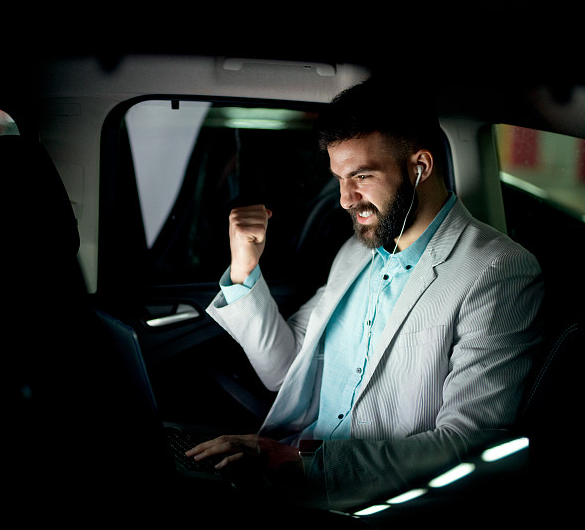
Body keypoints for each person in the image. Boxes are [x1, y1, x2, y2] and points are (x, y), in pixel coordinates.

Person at [188, 77, 544, 508]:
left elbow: (466, 444)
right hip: (285, 481)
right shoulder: (356, 252)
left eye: (361, 176)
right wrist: (245, 268)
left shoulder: (497, 269)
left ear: (421, 167)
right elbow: (284, 371)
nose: (344, 199)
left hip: (376, 505)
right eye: (339, 178)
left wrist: (301, 463)